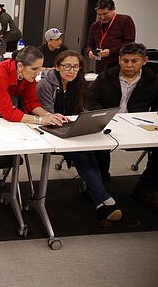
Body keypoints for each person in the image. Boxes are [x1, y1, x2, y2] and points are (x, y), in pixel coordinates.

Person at [36, 50, 138, 226]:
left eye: (76, 66)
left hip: (71, 128)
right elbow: (47, 115)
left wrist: (87, 120)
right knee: (82, 154)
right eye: (67, 66)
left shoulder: (79, 83)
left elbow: (82, 108)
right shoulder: (46, 84)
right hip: (49, 129)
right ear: (57, 66)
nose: (71, 70)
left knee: (99, 150)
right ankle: (107, 200)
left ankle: (101, 205)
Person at [0, 46, 68, 190]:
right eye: (35, 69)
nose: (38, 73)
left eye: (40, 68)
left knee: (4, 128)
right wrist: (40, 120)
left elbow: (31, 102)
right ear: (20, 65)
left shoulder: (28, 75)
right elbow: (8, 113)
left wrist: (48, 115)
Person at [88, 42, 158, 210]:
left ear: (144, 60)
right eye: (125, 60)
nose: (129, 65)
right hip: (108, 124)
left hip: (139, 126)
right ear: (119, 60)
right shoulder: (106, 76)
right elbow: (91, 100)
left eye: (134, 61)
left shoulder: (153, 79)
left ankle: (146, 188)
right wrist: (104, 116)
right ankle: (102, 185)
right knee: (99, 147)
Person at [86, 0, 136, 73]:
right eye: (99, 14)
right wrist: (89, 51)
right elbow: (90, 44)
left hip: (117, 64)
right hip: (100, 65)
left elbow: (129, 42)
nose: (102, 17)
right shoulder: (95, 25)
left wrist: (111, 51)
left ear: (113, 9)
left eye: (105, 14)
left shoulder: (125, 20)